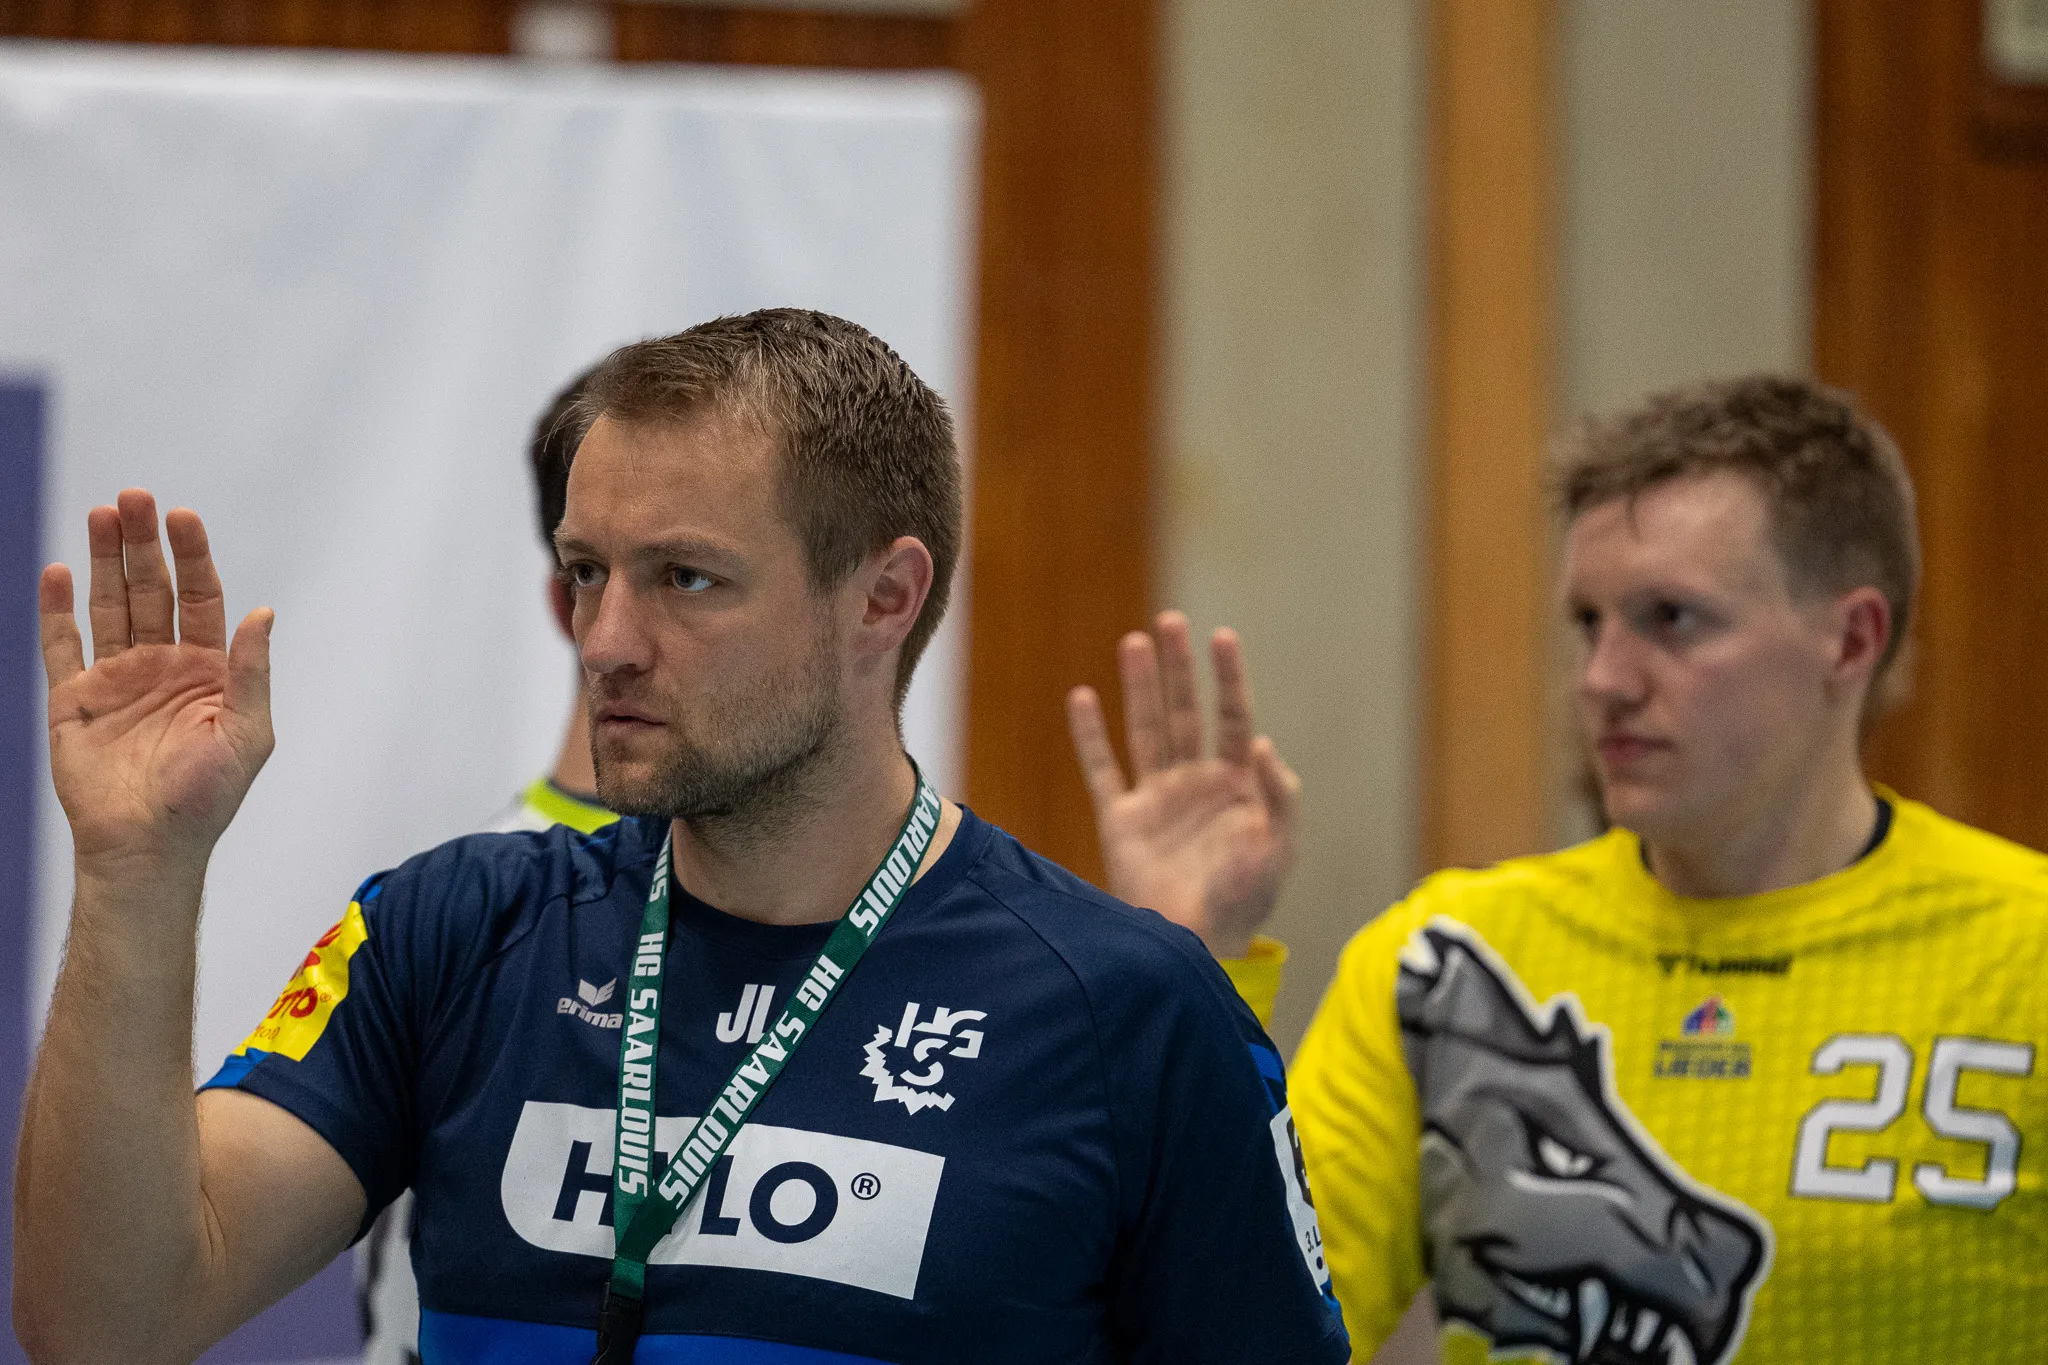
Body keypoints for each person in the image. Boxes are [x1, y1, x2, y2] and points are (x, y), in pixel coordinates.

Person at [17, 309, 1348, 1365]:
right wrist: (137, 874)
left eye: (685, 579)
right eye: (587, 572)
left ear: (882, 598)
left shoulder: (1126, 1009)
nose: (604, 642)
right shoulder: (454, 930)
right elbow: (106, 1325)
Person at [1069, 374, 2048, 1365]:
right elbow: (1231, 1333)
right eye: (1588, 622)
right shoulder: (1445, 967)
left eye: (1672, 618)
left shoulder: (2023, 955)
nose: (1603, 679)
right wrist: (1184, 969)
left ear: (1849, 638)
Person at [357, 368, 619, 1365]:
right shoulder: (449, 920)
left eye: (696, 574)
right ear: (571, 600)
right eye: (608, 569)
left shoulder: (904, 906)